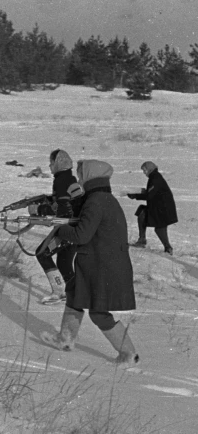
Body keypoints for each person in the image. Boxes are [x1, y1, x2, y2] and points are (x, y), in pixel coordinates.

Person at [41, 160, 139, 366]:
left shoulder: (96, 201)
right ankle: (65, 339)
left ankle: (128, 354)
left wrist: (59, 228)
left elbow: (81, 235)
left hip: (103, 267)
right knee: (75, 294)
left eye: (81, 174)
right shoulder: (103, 199)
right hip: (101, 264)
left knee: (98, 312)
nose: (79, 179)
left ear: (89, 177)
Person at [29, 149, 80, 305]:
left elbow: (64, 209)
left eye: (51, 163)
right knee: (64, 262)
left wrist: (39, 210)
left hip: (67, 229)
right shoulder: (69, 178)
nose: (49, 166)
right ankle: (75, 293)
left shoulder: (61, 180)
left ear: (58, 163)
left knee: (42, 253)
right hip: (76, 228)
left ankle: (58, 292)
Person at [127, 161, 177, 256]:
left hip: (163, 209)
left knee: (159, 228)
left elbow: (150, 195)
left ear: (149, 169)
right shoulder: (154, 177)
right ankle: (142, 240)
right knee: (142, 213)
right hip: (160, 208)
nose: (144, 172)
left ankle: (167, 248)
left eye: (144, 170)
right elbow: (153, 192)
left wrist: (135, 196)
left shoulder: (155, 178)